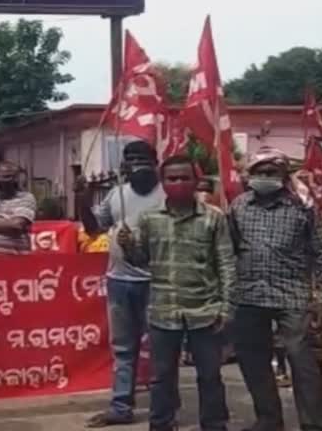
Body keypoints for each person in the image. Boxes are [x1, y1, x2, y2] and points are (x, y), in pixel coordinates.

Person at [118, 155, 234, 431]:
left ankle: (215, 425)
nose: (178, 183)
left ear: (196, 181)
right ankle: (161, 424)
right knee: (161, 377)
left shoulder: (213, 218)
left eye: (184, 178)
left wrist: (227, 308)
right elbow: (141, 259)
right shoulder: (149, 219)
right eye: (172, 178)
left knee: (209, 376)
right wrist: (128, 246)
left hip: (205, 310)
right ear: (163, 182)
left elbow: (227, 264)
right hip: (163, 311)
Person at [229, 147, 322, 431]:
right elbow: (229, 248)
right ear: (250, 176)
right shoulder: (238, 207)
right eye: (260, 172)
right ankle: (269, 419)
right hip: (249, 294)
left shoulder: (302, 208)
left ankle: (313, 422)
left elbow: (320, 251)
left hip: (292, 294)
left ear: (283, 175)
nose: (266, 177)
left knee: (301, 359)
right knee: (253, 359)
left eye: (272, 172)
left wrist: (320, 295)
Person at [76, 140, 165, 427]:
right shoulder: (117, 194)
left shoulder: (167, 195)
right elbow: (93, 228)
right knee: (123, 348)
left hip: (158, 283)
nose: (135, 163)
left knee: (163, 348)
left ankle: (164, 409)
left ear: (155, 161)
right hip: (119, 281)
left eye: (141, 157)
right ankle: (120, 407)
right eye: (129, 158)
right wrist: (82, 197)